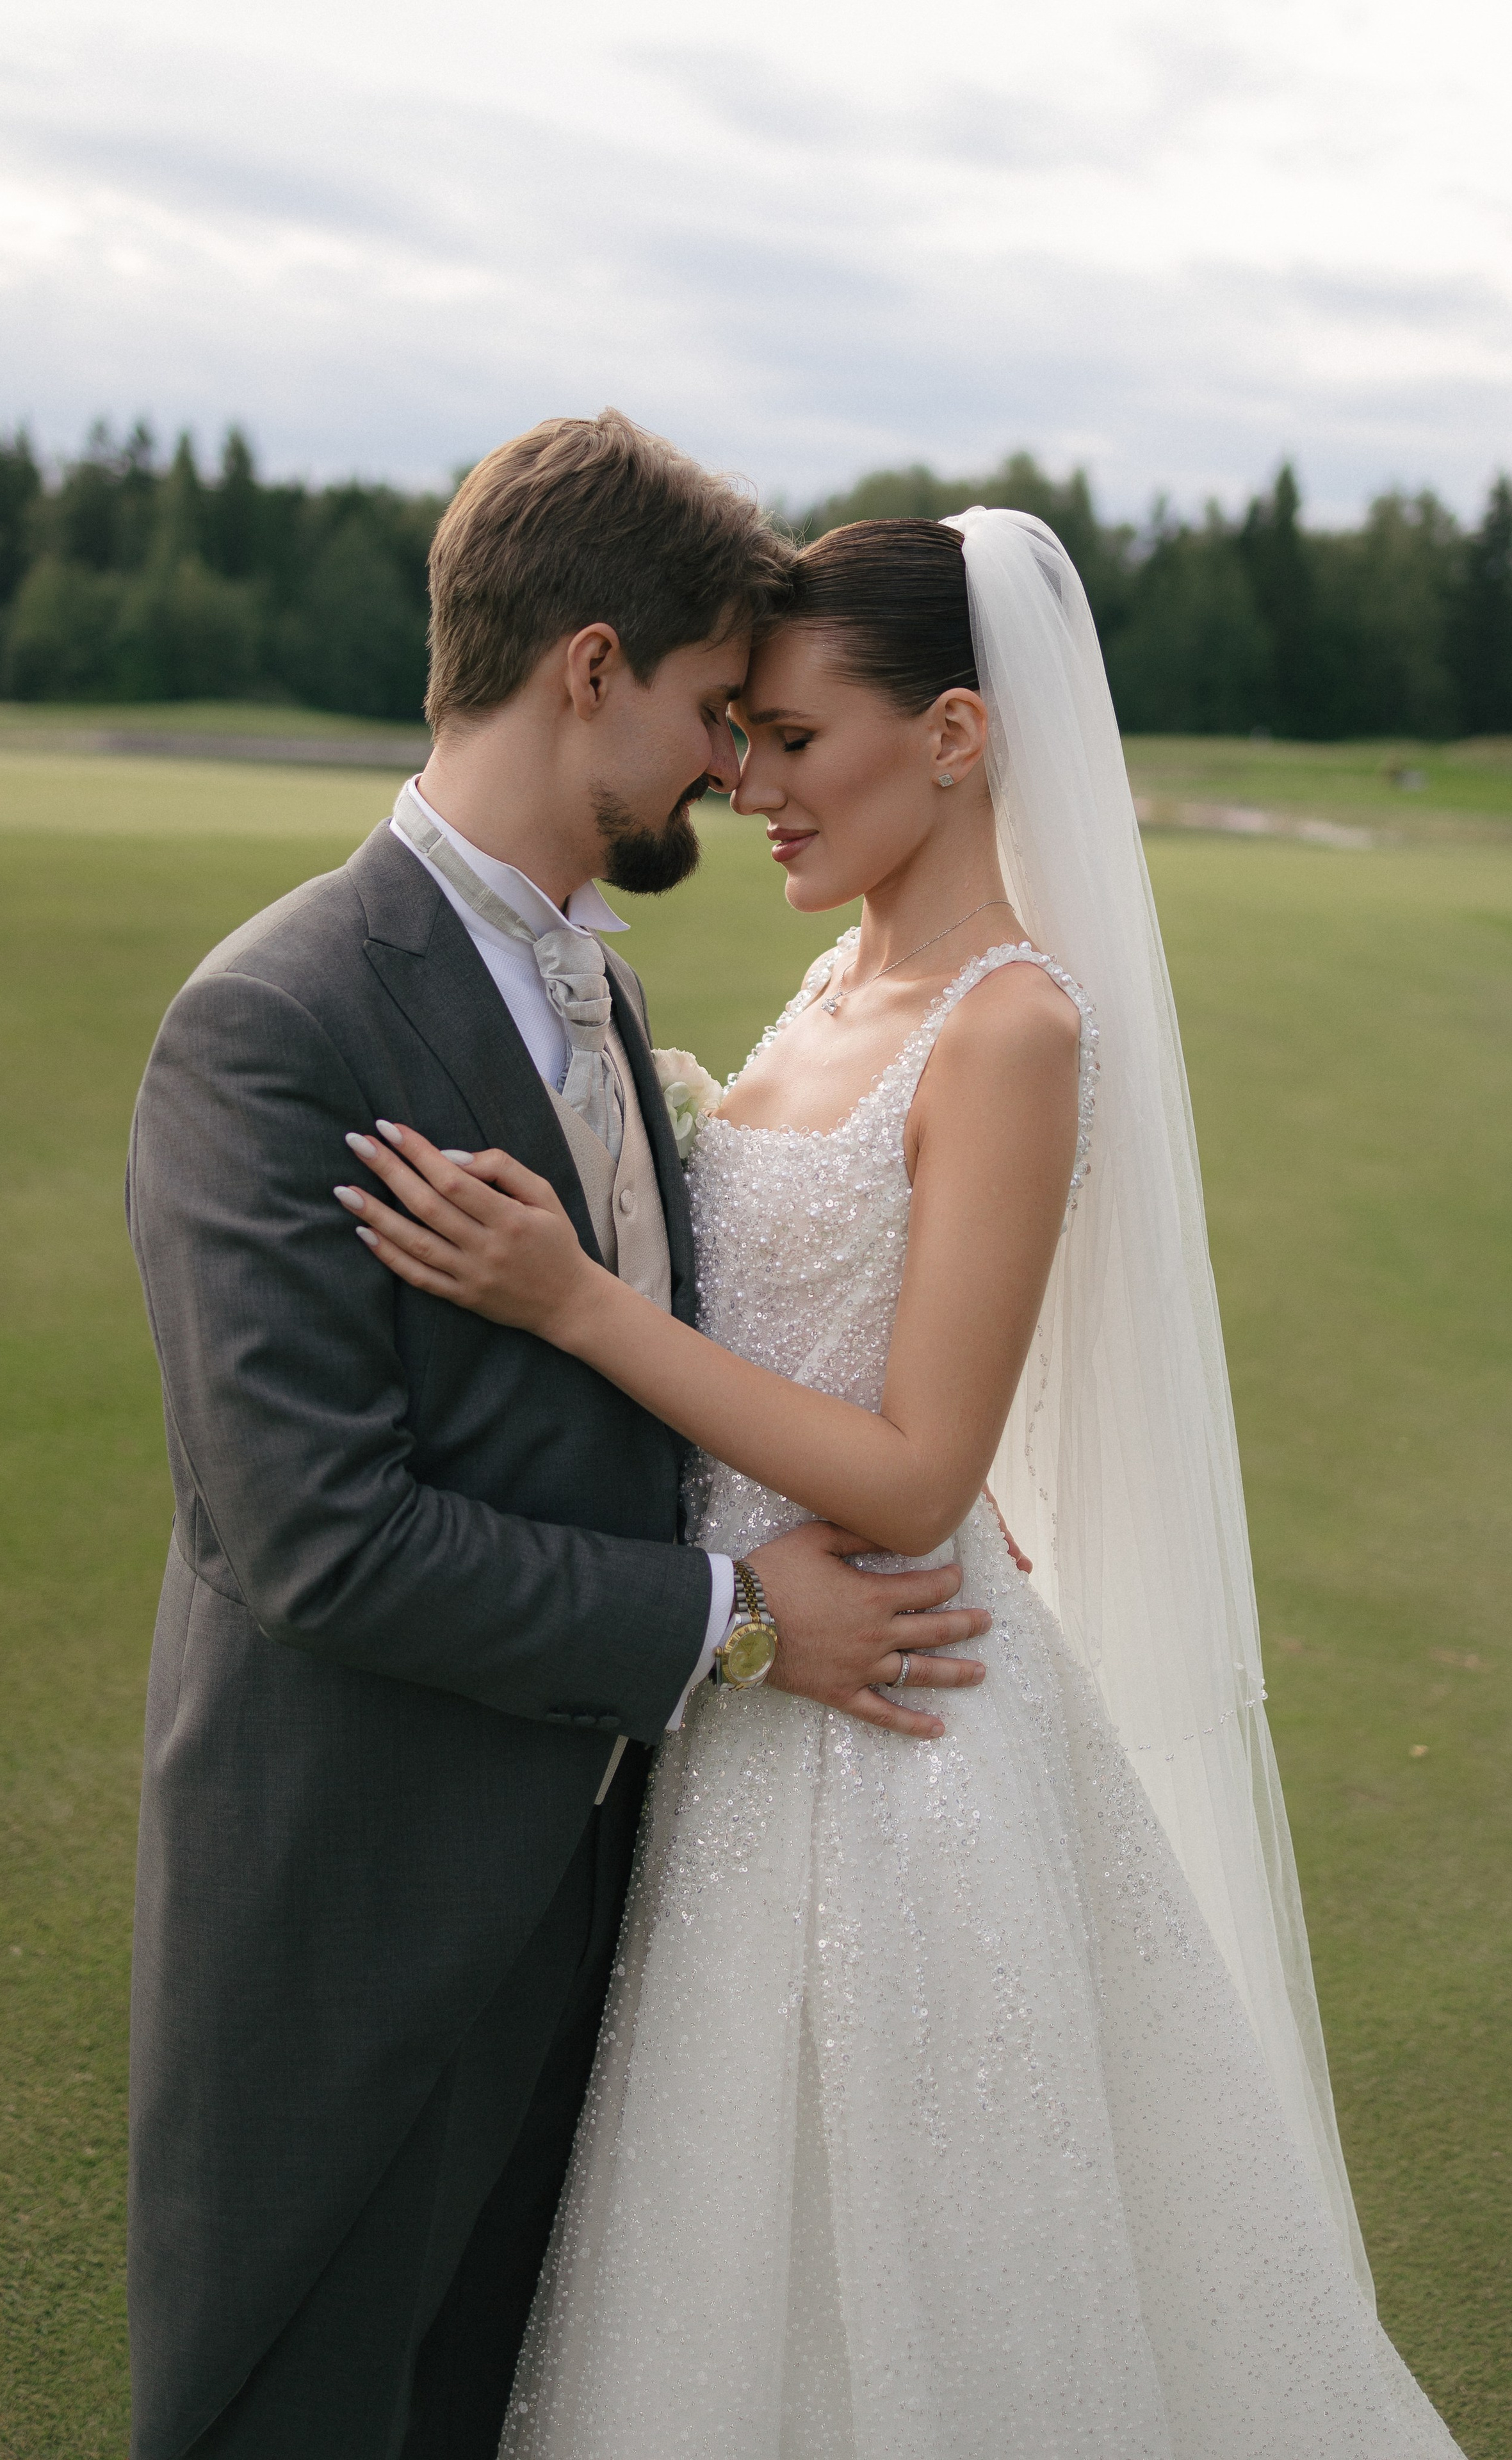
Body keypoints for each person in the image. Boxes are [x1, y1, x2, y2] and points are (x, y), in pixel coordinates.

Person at [344, 510, 1467, 2457]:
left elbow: (926, 1461)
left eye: (793, 738)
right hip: (759, 1697)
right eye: (742, 734)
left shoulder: (1011, 1024)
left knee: (921, 2281)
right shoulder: (836, 982)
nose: (746, 784)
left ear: (956, 734)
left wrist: (577, 1302)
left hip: (893, 1753)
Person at [123, 416, 998, 2460]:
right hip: (357, 1896)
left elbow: (646, 1368)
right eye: (713, 706)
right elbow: (314, 1539)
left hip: (597, 1889)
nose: (729, 762)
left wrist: (862, 1489)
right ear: (589, 666)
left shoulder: (596, 997)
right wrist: (737, 1613)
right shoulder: (281, 1017)